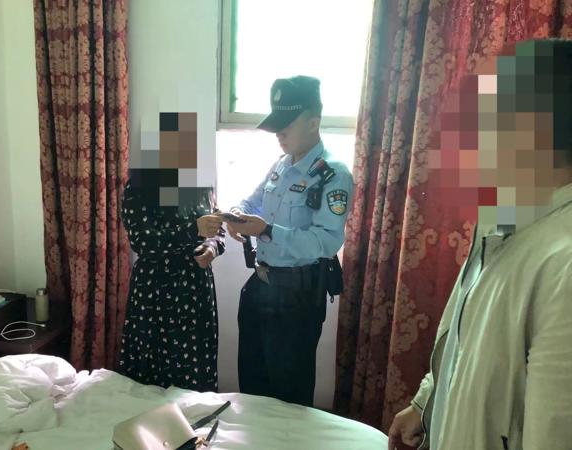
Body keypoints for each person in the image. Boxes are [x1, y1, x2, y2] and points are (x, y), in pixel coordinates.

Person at [388, 39, 572, 450]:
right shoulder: (499, 225)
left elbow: (554, 434)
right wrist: (426, 401)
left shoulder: (563, 263)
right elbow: (464, 339)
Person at [226, 75, 354, 407]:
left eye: (287, 125)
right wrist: (237, 214)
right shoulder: (281, 165)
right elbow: (252, 201)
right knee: (252, 387)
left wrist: (267, 231)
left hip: (296, 297)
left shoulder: (333, 175)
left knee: (289, 398)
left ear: (314, 122)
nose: (279, 134)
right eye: (277, 126)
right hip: (261, 286)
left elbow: (326, 241)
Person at [118, 170, 225, 391]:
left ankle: (193, 413)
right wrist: (193, 229)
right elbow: (142, 241)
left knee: (195, 368)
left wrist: (212, 247)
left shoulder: (200, 182)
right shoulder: (139, 185)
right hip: (156, 290)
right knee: (153, 373)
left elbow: (217, 229)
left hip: (196, 286)